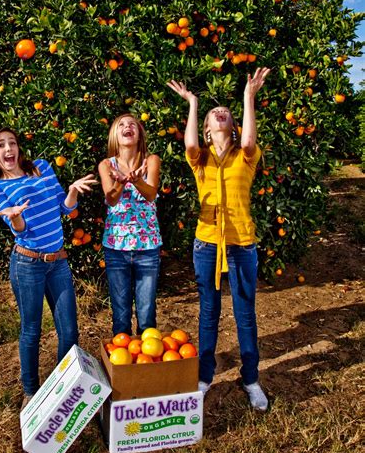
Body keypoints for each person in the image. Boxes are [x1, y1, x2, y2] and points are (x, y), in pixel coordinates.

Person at [167, 67, 271, 411]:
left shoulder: (246, 156)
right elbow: (191, 142)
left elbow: (251, 140)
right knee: (209, 312)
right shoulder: (201, 160)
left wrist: (248, 96)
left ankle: (251, 378)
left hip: (242, 242)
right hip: (207, 242)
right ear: (210, 129)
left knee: (245, 312)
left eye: (223, 112)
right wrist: (194, 103)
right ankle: (204, 377)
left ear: (233, 124)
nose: (219, 113)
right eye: (214, 115)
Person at [0, 127, 97, 406]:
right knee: (32, 330)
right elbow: (19, 228)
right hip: (27, 264)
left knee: (69, 330)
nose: (8, 149)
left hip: (58, 262)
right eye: (0, 146)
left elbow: (64, 208)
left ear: (19, 148)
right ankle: (30, 391)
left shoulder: (42, 168)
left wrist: (71, 192)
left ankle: (61, 386)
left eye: (12, 143)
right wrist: (16, 217)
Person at [98, 113, 162, 336]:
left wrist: (136, 180)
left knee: (146, 314)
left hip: (147, 247)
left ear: (139, 134)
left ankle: (147, 367)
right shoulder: (106, 165)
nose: (128, 127)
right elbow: (111, 198)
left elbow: (151, 194)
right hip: (116, 248)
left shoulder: (150, 160)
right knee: (120, 314)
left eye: (132, 124)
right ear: (115, 135)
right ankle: (123, 368)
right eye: (122, 125)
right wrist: (120, 181)